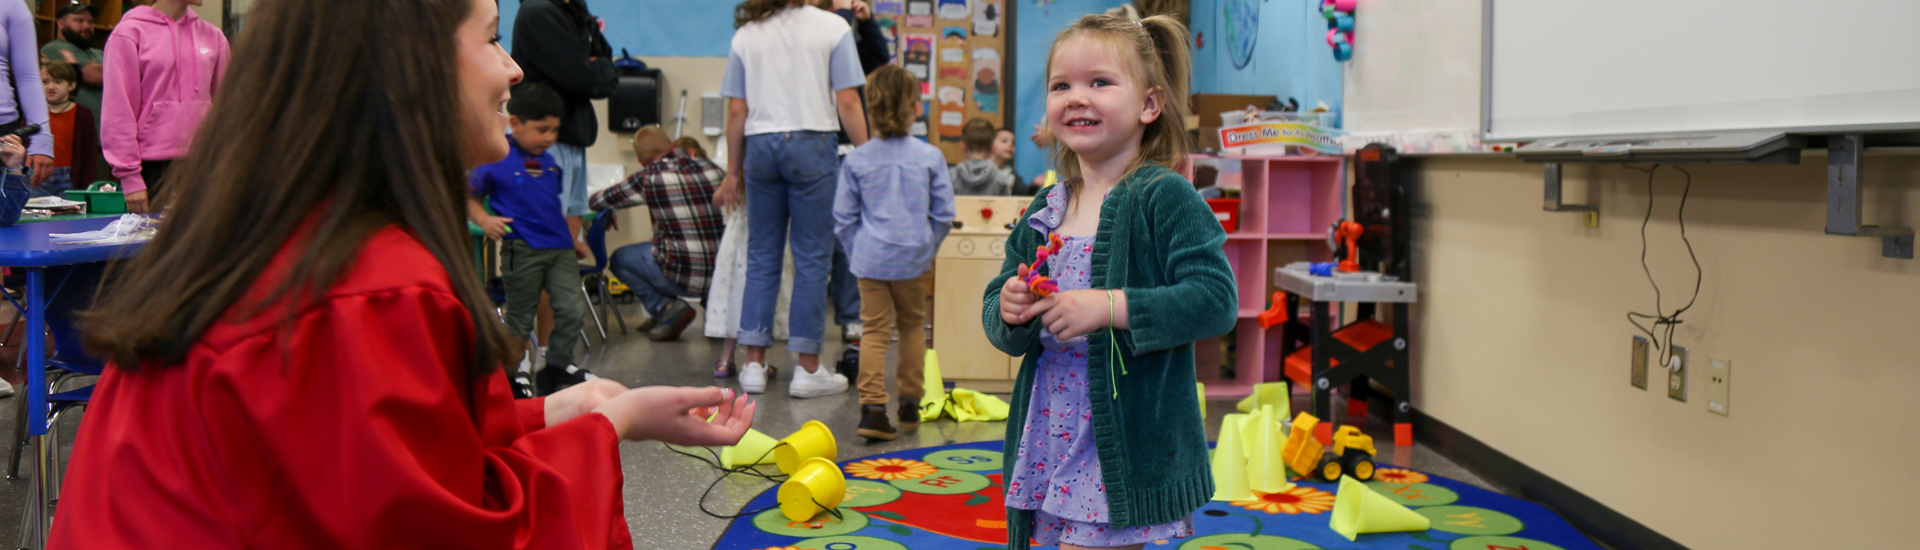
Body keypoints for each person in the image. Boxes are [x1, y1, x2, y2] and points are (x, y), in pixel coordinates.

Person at [53, 0, 756, 547]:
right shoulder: (370, 287)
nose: (512, 70)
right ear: (407, 67)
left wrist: (559, 410)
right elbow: (445, 527)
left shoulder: (286, 239)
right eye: (489, 39)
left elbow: (383, 457)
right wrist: (610, 426)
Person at [986, 14, 1235, 550]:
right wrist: (1008, 307)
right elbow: (1003, 299)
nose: (1077, 97)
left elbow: (1216, 301)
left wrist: (1110, 306)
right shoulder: (1048, 206)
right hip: (1049, 430)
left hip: (1119, 441)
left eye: (1099, 82)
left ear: (1149, 104)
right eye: (1061, 85)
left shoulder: (1163, 196)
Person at [715, 0, 870, 398]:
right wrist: (870, 156)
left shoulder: (746, 34)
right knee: (812, 259)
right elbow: (848, 101)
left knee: (762, 256)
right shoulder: (832, 27)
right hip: (812, 144)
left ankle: (752, 365)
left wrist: (733, 171)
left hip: (759, 146)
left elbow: (736, 111)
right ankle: (808, 369)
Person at [834, 64, 954, 441]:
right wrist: (925, 248)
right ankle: (909, 404)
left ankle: (872, 410)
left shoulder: (856, 159)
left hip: (870, 259)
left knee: (874, 331)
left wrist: (860, 253)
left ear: (871, 108)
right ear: (914, 108)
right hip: (914, 259)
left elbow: (843, 218)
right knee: (913, 326)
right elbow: (944, 216)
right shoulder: (931, 157)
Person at [469, 82, 598, 398]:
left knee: (571, 310)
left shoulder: (549, 162)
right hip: (523, 251)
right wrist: (484, 219)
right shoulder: (498, 157)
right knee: (519, 317)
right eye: (542, 130)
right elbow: (468, 196)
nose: (550, 138)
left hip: (560, 250)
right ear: (516, 123)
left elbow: (550, 206)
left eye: (554, 130)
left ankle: (553, 367)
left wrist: (574, 240)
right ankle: (511, 375)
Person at [591, 126, 726, 342]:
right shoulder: (714, 169)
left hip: (682, 277)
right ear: (672, 145)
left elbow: (596, 201)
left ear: (640, 160)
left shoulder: (648, 177)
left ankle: (667, 306)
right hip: (723, 275)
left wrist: (611, 209)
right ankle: (716, 306)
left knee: (620, 258)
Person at [101, 0, 230, 213]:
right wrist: (130, 176)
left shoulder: (214, 36)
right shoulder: (128, 33)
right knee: (153, 244)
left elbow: (227, 108)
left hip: (204, 163)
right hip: (151, 168)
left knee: (204, 244)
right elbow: (118, 109)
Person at [510, 0, 616, 236]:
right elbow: (582, 77)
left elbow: (609, 71)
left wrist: (597, 69)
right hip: (546, 140)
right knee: (545, 231)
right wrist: (594, 69)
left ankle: (564, 269)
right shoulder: (539, 12)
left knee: (572, 218)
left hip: (573, 136)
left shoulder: (576, 10)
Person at [821, 0, 891, 343]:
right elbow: (834, 36)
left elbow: (879, 61)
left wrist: (868, 21)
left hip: (849, 150)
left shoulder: (848, 41)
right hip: (823, 148)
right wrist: (845, 15)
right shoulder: (822, 33)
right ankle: (826, 319)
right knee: (824, 241)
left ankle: (850, 316)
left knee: (849, 239)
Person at [0, 0, 52, 188]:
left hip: (3, 130)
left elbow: (28, 76)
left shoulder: (10, 3)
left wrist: (42, 139)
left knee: (4, 213)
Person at [36, 59, 99, 198]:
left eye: (58, 82)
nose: (50, 87)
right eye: (45, 82)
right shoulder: (33, 112)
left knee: (69, 217)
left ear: (71, 85)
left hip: (70, 178)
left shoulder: (83, 114)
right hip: (37, 177)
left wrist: (86, 183)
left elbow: (90, 151)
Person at [41, 2, 105, 126]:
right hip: (73, 130)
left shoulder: (99, 53)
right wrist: (104, 70)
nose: (87, 26)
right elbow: (96, 76)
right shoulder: (54, 49)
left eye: (90, 22)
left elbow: (127, 76)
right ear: (60, 23)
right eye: (79, 20)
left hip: (106, 131)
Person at [950, 118, 1015, 195]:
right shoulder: (1000, 177)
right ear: (992, 148)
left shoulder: (951, 175)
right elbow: (1007, 204)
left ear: (963, 146)